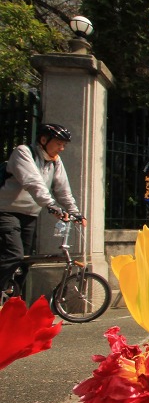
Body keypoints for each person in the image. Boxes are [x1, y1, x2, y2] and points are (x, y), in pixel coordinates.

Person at [0, 123, 86, 290]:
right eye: (58, 143)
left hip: (30, 215)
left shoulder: (55, 162)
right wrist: (51, 205)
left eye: (64, 145)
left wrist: (76, 213)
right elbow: (32, 182)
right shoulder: (23, 152)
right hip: (6, 212)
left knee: (25, 261)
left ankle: (13, 302)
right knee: (14, 254)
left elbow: (63, 190)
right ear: (44, 140)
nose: (61, 148)